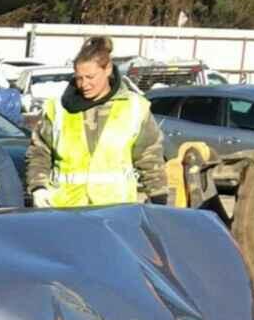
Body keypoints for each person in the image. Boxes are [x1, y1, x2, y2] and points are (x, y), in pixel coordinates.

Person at [25, 35, 168, 207]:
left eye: (90, 77)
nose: (84, 84)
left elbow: (150, 157)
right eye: (79, 78)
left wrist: (158, 197)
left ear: (107, 70)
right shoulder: (58, 108)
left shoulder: (135, 107)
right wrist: (38, 187)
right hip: (65, 209)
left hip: (115, 210)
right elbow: (39, 152)